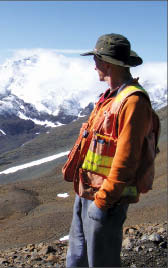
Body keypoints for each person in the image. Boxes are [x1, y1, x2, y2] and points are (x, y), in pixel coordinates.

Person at [64, 33, 154, 267]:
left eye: (96, 60)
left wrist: (103, 202)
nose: (94, 67)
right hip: (86, 192)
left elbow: (127, 160)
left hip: (105, 199)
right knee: (77, 260)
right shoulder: (111, 97)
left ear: (107, 63)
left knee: (101, 263)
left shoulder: (133, 102)